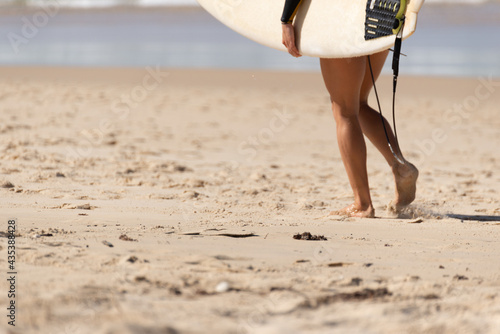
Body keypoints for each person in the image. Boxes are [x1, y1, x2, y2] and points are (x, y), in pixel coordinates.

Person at [281, 0, 419, 218]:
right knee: (358, 104)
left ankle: (362, 204)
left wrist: (287, 19)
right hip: (382, 13)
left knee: (345, 111)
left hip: (341, 17)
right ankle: (400, 167)